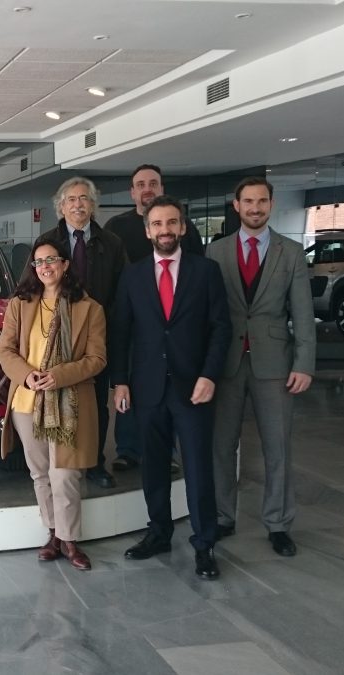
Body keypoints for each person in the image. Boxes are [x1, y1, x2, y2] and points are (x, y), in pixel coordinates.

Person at [112, 195, 231, 579]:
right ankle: (159, 532)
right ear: (148, 231)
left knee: (198, 469)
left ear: (183, 227)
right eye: (157, 224)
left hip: (193, 388)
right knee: (154, 469)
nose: (165, 230)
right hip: (146, 390)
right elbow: (120, 334)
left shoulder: (206, 271)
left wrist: (210, 375)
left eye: (172, 223)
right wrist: (120, 382)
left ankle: (204, 543)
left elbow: (220, 329)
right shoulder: (132, 276)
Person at [206, 177, 315, 557]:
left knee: (278, 448)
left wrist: (305, 364)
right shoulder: (216, 252)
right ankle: (222, 516)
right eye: (248, 201)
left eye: (262, 201)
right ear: (236, 206)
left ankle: (279, 523)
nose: (255, 208)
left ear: (272, 205)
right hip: (226, 365)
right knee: (221, 446)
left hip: (276, 364)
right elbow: (208, 315)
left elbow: (303, 314)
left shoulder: (291, 252)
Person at [0, 234, 107, 571]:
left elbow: (97, 359)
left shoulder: (90, 308)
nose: (45, 267)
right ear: (34, 268)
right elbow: (6, 351)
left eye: (51, 260)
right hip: (27, 402)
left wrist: (59, 376)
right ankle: (53, 534)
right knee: (41, 473)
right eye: (39, 262)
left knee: (66, 474)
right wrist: (27, 375)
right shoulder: (20, 303)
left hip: (70, 401)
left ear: (65, 265)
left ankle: (70, 539)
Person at [104, 164, 204, 473]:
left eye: (153, 183)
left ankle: (167, 449)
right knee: (130, 386)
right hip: (133, 321)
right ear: (132, 192)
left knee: (170, 386)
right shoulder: (115, 227)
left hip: (172, 325)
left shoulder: (184, 229)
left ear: (161, 188)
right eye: (141, 184)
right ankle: (128, 449)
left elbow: (197, 276)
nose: (147, 188)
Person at [39, 177, 127, 489]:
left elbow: (122, 293)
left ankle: (94, 463)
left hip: (96, 337)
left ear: (93, 205)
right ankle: (57, 461)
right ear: (60, 207)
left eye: (84, 199)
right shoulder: (47, 242)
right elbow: (31, 287)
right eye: (72, 199)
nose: (78, 204)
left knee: (94, 406)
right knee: (55, 398)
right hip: (55, 337)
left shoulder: (112, 244)